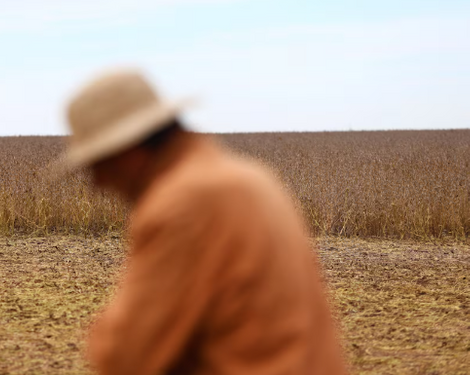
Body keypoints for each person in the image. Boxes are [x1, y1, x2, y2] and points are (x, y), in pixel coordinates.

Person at [63, 69, 347, 375]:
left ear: (129, 149)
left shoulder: (184, 202)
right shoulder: (251, 177)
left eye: (98, 163)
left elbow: (126, 355)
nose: (97, 182)